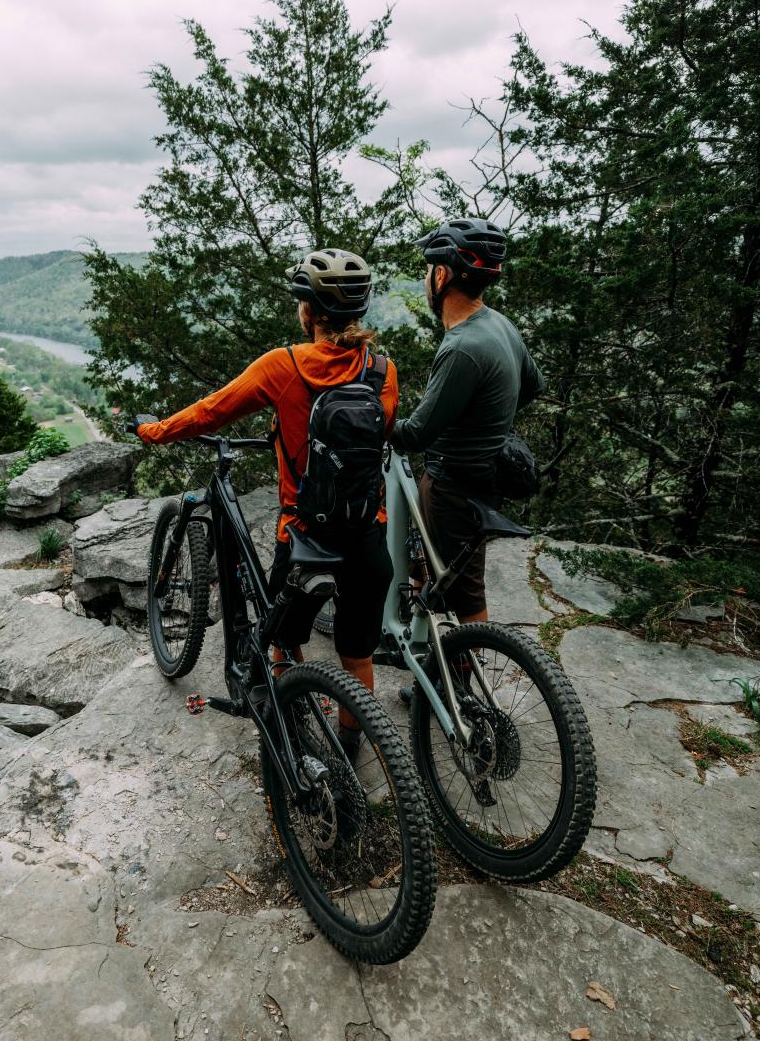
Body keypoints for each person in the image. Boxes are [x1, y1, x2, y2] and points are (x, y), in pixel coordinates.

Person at [134, 249, 399, 759]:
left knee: (283, 638)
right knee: (356, 651)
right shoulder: (383, 371)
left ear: (310, 312)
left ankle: (287, 718)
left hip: (304, 536)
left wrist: (154, 431)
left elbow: (210, 412)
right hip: (367, 531)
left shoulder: (285, 366)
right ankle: (350, 744)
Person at [390, 219, 543, 698]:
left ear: (443, 276)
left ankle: (461, 692)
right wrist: (486, 423)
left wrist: (372, 423)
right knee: (448, 573)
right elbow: (533, 385)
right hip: (487, 472)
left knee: (464, 591)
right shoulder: (499, 324)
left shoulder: (461, 347)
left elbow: (416, 432)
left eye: (431, 268)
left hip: (454, 483)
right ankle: (449, 671)